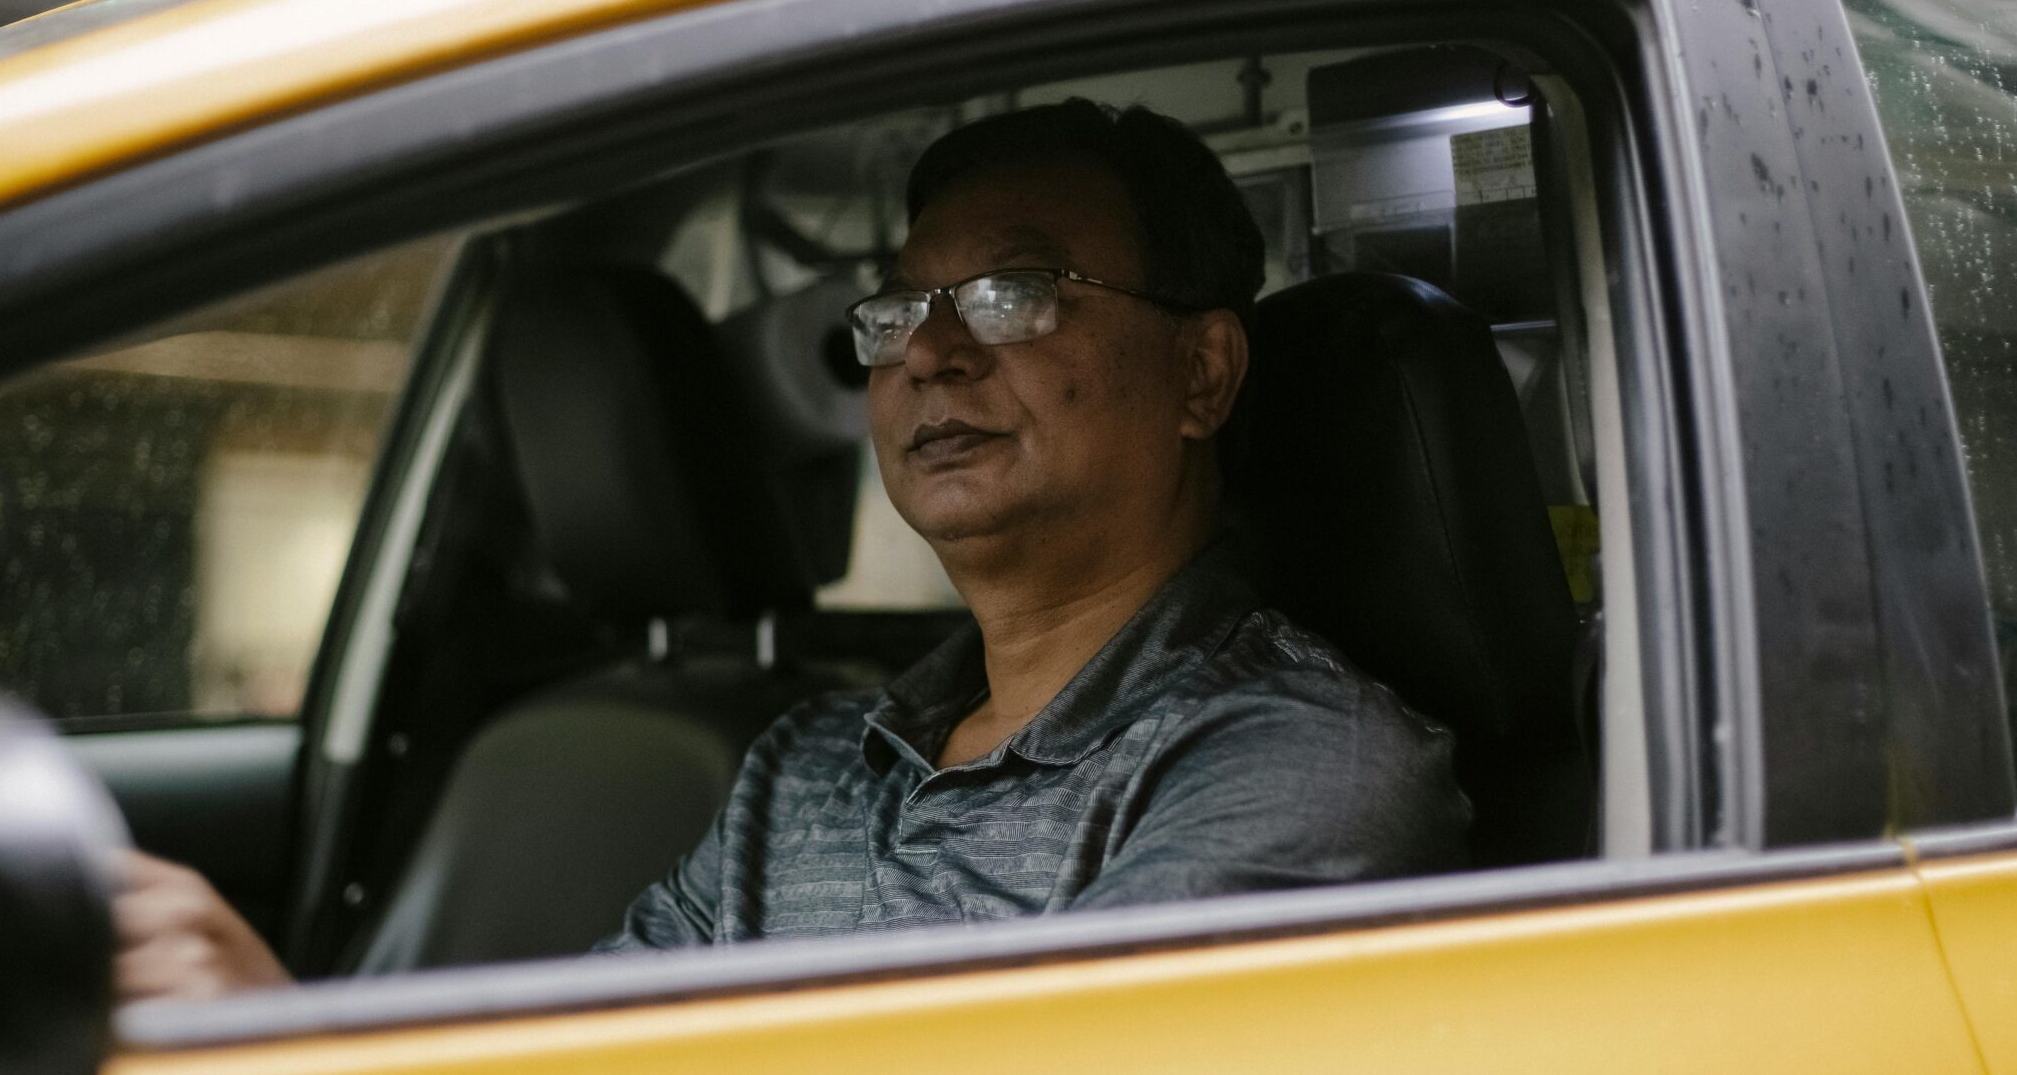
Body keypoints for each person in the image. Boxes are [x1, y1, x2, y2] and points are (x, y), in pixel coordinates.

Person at [114, 99, 1468, 999]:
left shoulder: (1301, 767)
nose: (928, 352)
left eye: (1011, 293)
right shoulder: (812, 766)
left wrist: (303, 1052)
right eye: (896, 311)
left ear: (1201, 376)